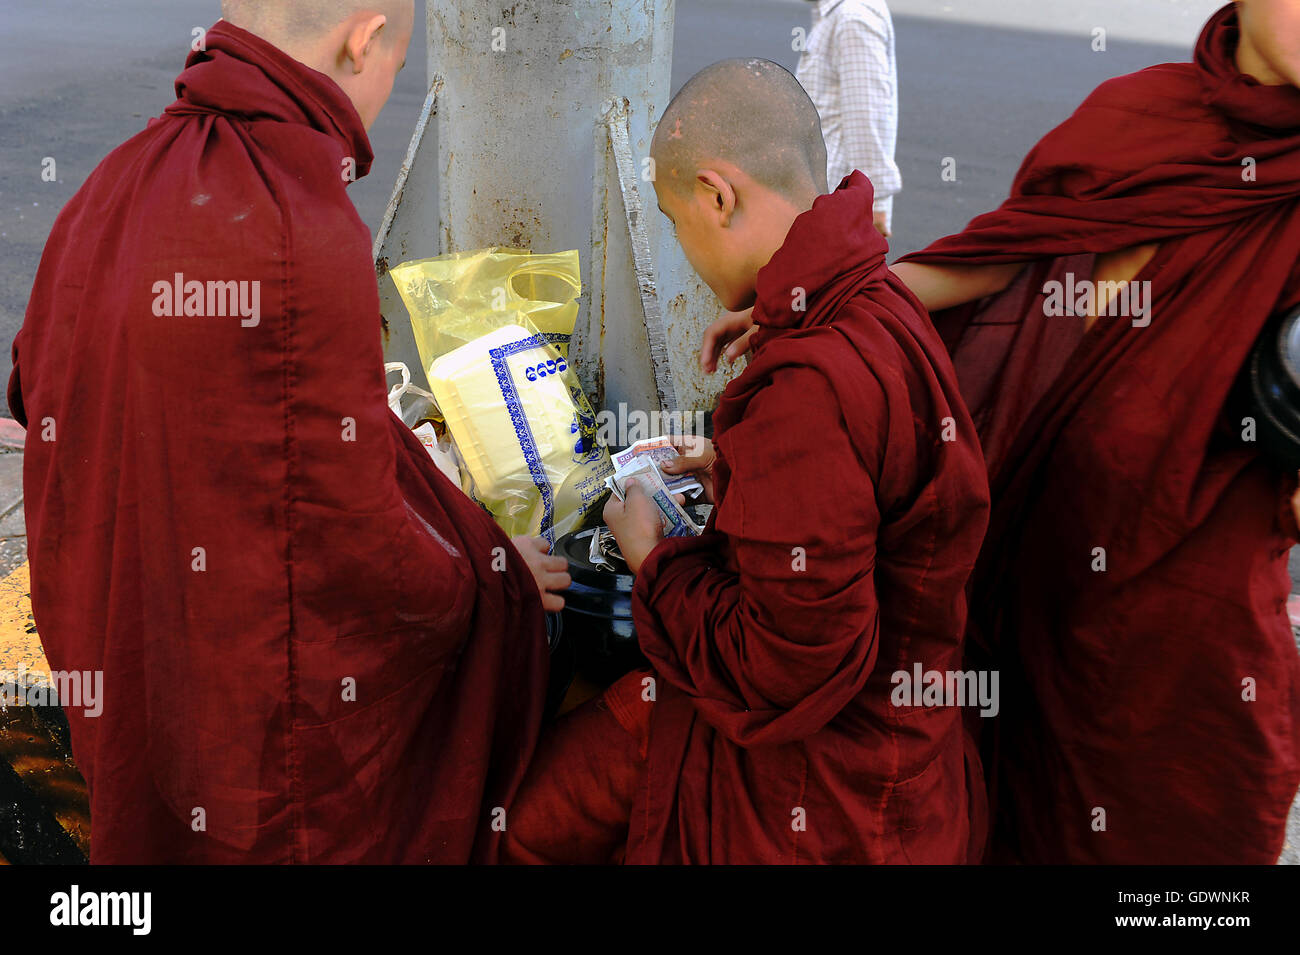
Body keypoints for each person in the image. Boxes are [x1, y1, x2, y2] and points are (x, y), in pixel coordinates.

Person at [7, 1, 568, 863]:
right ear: (365, 38)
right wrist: (490, 576)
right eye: (396, 64)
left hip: (129, 667)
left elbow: (36, 390)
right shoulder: (299, 225)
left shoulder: (106, 188)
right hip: (254, 741)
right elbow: (359, 550)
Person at [502, 59, 990, 864]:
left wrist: (652, 555)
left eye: (674, 217)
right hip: (914, 746)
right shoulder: (878, 304)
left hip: (822, 793)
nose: (682, 247)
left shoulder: (808, 386)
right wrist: (739, 465)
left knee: (518, 830)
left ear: (719, 195)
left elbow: (784, 666)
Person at [888, 0, 1300, 863]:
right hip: (1037, 574)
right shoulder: (1138, 116)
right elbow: (1021, 248)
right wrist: (846, 307)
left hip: (1187, 648)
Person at [797, 0, 901, 238]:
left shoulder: (854, 18)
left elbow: (866, 115)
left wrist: (873, 203)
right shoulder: (837, 15)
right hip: (826, 198)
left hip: (836, 202)